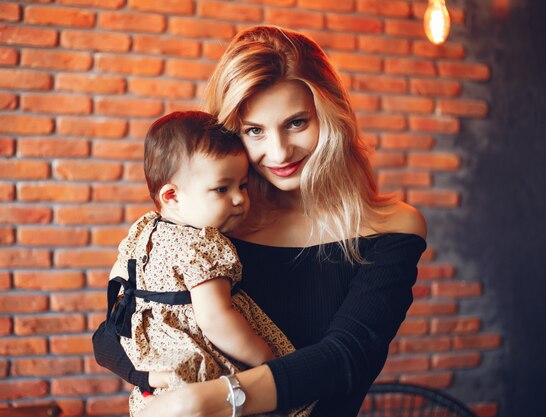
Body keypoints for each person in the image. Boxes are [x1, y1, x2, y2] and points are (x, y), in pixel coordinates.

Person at [93, 25, 427, 417]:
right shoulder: (208, 229)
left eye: (297, 123)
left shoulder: (392, 227)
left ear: (331, 117)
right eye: (255, 131)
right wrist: (152, 380)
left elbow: (346, 358)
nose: (279, 151)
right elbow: (112, 334)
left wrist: (211, 400)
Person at [107, 111, 314, 416]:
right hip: (202, 369)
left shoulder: (145, 231)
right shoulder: (202, 244)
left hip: (159, 374)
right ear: (172, 196)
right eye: (222, 189)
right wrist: (268, 362)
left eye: (242, 185)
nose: (239, 199)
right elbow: (216, 320)